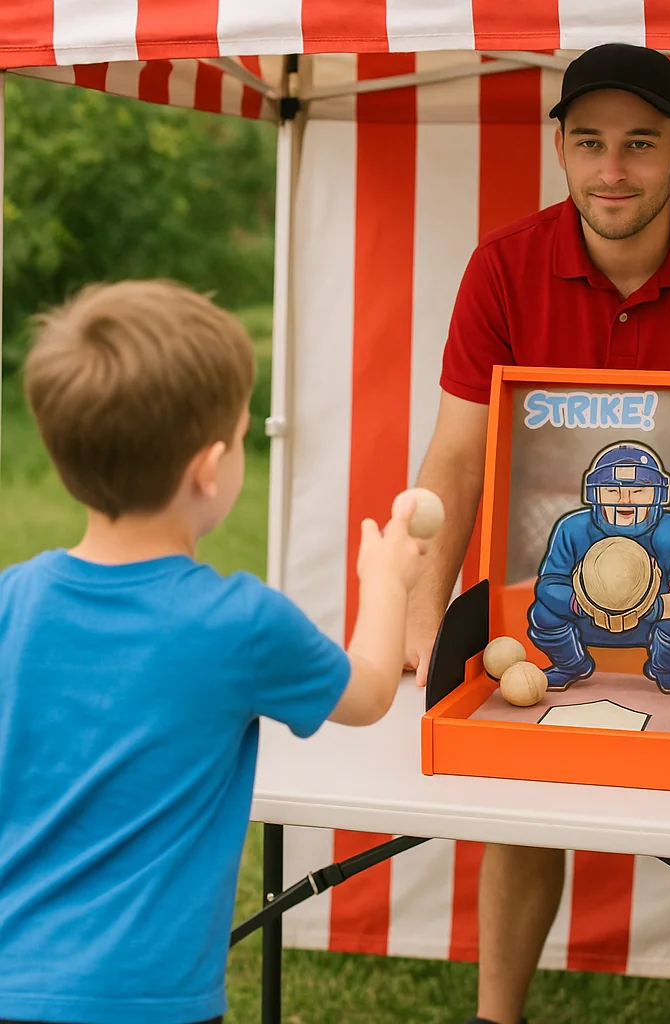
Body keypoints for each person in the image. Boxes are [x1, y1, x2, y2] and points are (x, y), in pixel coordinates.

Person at [405, 41, 670, 1024]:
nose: (613, 169)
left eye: (640, 143)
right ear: (557, 146)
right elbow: (456, 461)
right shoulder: (501, 268)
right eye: (591, 142)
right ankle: (495, 1015)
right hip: (540, 591)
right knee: (519, 801)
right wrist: (424, 622)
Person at [0, 281, 424, 1024]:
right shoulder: (239, 622)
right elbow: (368, 694)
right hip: (148, 1001)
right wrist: (387, 582)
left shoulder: (12, 598)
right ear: (209, 468)